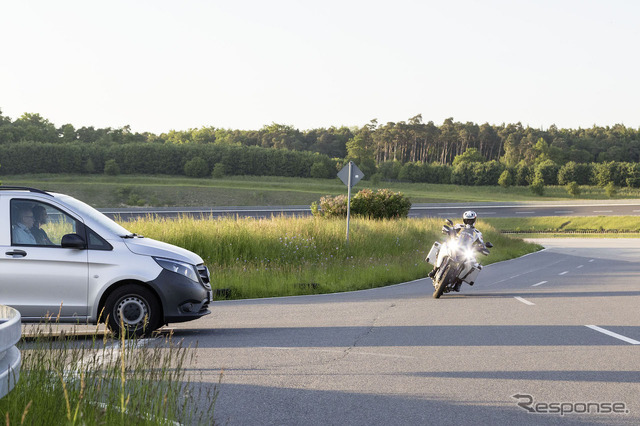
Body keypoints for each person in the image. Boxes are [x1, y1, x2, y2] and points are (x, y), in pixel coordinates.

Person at [427, 210, 486, 285]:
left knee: (472, 262)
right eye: (467, 220)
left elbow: (481, 243)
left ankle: (459, 282)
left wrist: (482, 247)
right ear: (464, 220)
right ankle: (434, 270)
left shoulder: (477, 233)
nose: (469, 222)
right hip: (456, 245)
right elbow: (451, 229)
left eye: (471, 220)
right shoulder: (459, 226)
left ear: (474, 220)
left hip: (466, 249)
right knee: (443, 246)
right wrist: (448, 230)